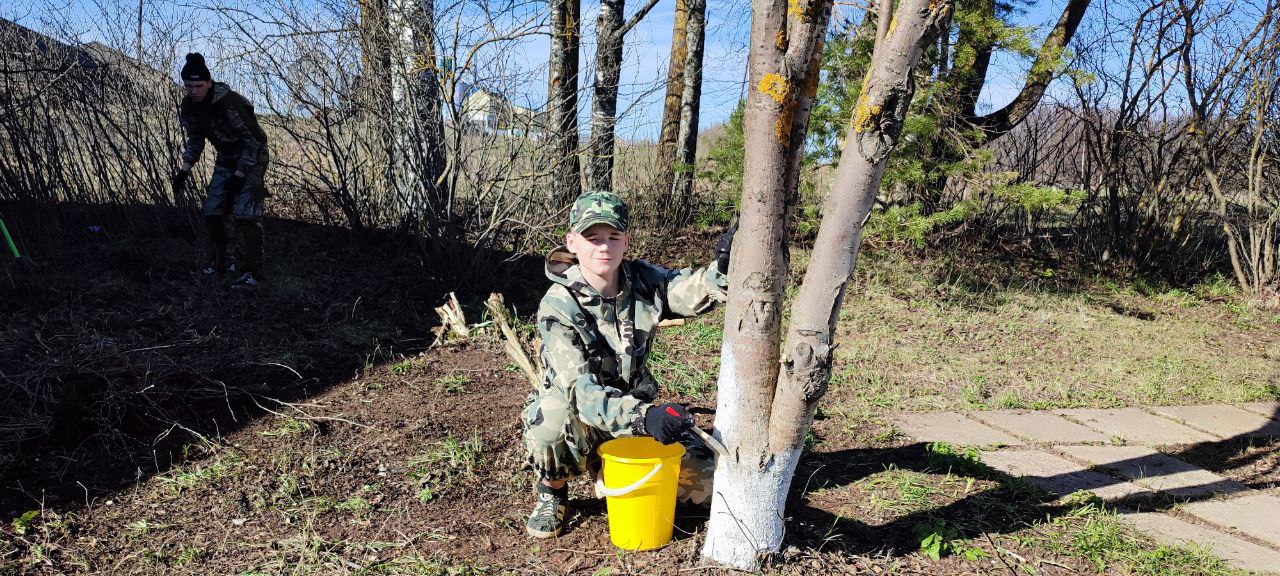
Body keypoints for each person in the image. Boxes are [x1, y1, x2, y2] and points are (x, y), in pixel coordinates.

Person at [521, 190, 735, 538]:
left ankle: (610, 467)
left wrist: (721, 271)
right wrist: (644, 418)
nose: (603, 246)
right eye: (592, 237)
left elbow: (684, 290)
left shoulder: (643, 280)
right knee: (549, 419)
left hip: (632, 413)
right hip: (580, 417)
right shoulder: (558, 306)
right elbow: (581, 392)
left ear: (626, 242)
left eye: (613, 237)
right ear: (572, 242)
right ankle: (553, 489)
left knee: (709, 485)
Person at [171, 52, 269, 289]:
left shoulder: (228, 103)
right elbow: (195, 139)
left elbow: (254, 141)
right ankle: (222, 262)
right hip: (226, 157)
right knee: (213, 210)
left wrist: (239, 176)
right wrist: (184, 170)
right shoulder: (189, 106)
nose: (193, 90)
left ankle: (251, 273)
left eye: (198, 85)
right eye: (188, 86)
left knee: (246, 213)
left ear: (209, 82)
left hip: (252, 157)